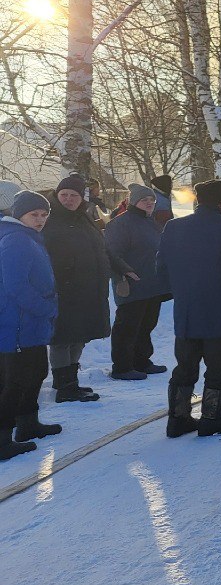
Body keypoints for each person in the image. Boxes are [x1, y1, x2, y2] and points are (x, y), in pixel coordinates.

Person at [157, 180, 221, 437]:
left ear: (197, 200)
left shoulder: (174, 227)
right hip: (217, 308)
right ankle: (212, 417)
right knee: (219, 365)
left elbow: (161, 268)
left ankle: (178, 418)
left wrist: (182, 293)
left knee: (185, 364)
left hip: (185, 308)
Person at [44, 175, 134, 399]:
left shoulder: (83, 217)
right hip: (62, 290)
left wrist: (122, 267)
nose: (68, 199)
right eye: (63, 195)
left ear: (80, 197)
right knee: (62, 338)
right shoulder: (49, 220)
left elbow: (103, 247)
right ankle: (64, 387)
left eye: (73, 195)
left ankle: (70, 382)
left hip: (88, 289)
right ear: (57, 195)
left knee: (80, 335)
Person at [0, 191, 61, 459]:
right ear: (19, 215)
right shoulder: (16, 240)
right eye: (34, 214)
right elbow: (15, 286)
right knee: (15, 382)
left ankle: (27, 424)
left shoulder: (29, 237)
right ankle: (3, 439)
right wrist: (46, 307)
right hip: (18, 325)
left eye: (44, 214)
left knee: (36, 372)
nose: (40, 219)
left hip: (30, 324)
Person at [104, 184, 171, 378]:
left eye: (152, 200)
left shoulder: (150, 221)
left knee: (146, 325)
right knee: (127, 327)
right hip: (131, 284)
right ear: (133, 202)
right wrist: (124, 273)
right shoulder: (120, 224)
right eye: (144, 200)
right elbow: (112, 253)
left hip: (152, 284)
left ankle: (141, 361)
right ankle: (122, 367)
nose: (149, 203)